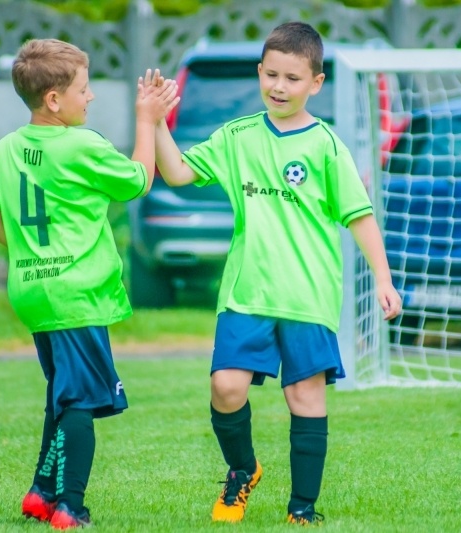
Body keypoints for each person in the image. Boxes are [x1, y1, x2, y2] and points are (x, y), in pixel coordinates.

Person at [152, 21, 402, 525]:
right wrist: (156, 122)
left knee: (302, 395)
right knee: (226, 387)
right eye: (271, 75)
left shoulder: (327, 146)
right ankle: (242, 470)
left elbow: (359, 215)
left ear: (316, 83)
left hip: (307, 295)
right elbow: (177, 171)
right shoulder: (238, 135)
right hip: (246, 291)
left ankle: (303, 509)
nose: (279, 87)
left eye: (292, 78)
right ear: (259, 73)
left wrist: (382, 277)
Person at [0, 38, 177, 529]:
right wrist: (147, 120)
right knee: (82, 401)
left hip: (32, 291)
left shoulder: (5, 149)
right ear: (54, 99)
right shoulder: (80, 144)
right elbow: (137, 181)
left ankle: (41, 493)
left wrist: (30, 253)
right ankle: (72, 506)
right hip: (76, 293)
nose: (89, 98)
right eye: (83, 90)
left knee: (63, 395)